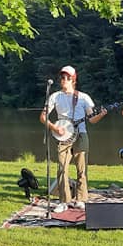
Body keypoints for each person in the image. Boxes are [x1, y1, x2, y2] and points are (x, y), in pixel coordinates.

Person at [40, 65, 109, 213]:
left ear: (73, 80)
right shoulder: (54, 96)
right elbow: (43, 117)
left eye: (67, 78)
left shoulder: (83, 97)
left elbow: (92, 119)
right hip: (62, 135)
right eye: (62, 77)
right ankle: (64, 200)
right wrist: (54, 127)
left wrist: (101, 114)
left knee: (81, 169)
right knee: (62, 168)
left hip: (81, 134)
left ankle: (81, 199)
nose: (64, 80)